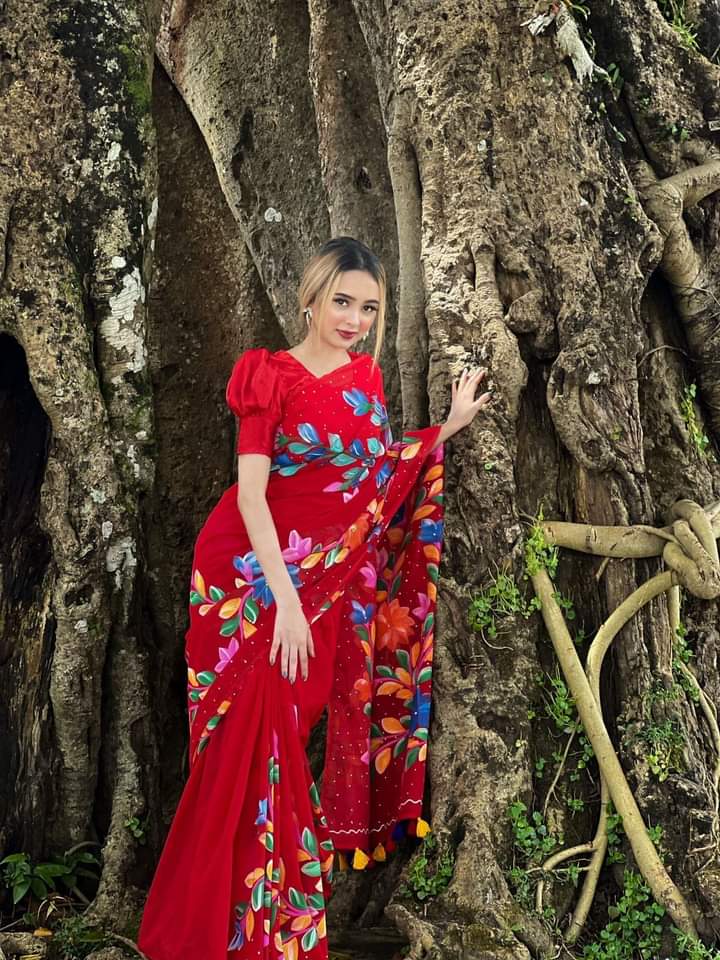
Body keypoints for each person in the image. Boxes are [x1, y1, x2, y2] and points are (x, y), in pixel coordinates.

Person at [137, 236, 491, 959]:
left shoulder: (366, 379)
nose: (355, 319)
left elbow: (374, 480)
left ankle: (261, 930)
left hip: (325, 589)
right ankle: (205, 934)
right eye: (342, 302)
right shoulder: (267, 376)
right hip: (247, 582)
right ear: (310, 300)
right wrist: (287, 603)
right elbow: (252, 496)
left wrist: (446, 428)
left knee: (286, 745)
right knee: (237, 748)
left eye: (370, 307)